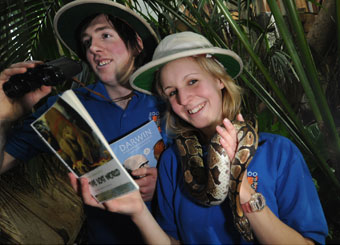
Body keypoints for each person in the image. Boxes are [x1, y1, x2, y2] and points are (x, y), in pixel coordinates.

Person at [74, 31, 329, 244]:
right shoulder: (172, 161)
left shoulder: (279, 153)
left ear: (219, 79)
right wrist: (139, 212)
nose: (184, 99)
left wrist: (240, 186)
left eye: (193, 81)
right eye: (171, 92)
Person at [0, 0, 167, 243]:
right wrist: (2, 116)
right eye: (87, 42)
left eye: (106, 35)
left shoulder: (169, 97)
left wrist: (165, 182)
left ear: (137, 45)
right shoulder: (63, 110)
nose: (94, 48)